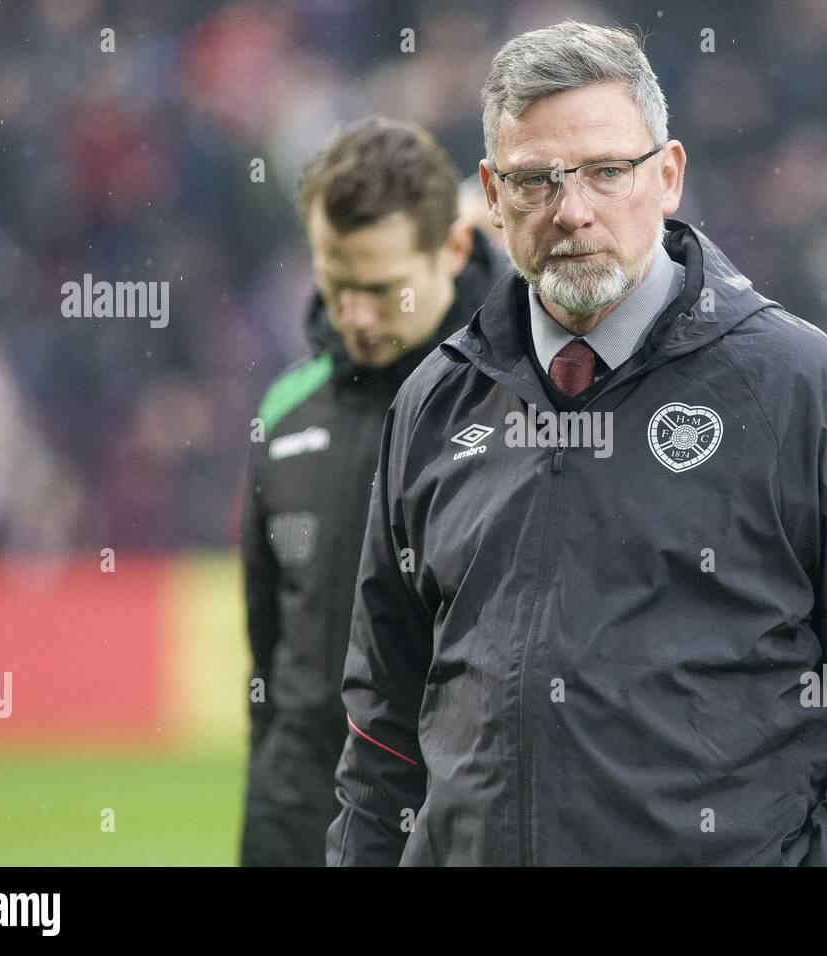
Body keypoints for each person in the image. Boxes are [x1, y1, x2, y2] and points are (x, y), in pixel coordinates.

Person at [327, 23, 827, 866]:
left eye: (606, 171)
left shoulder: (804, 389)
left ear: (667, 175)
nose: (572, 210)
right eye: (536, 180)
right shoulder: (432, 403)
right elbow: (382, 722)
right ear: (490, 194)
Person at [239, 116, 509, 866]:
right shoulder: (285, 411)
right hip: (294, 824)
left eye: (381, 290)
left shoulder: (528, 405)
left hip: (449, 832)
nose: (352, 315)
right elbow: (269, 651)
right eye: (335, 284)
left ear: (454, 250)